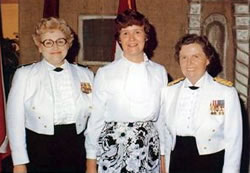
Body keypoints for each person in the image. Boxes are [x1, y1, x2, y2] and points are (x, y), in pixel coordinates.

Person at [6, 17, 94, 173]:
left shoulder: (86, 74)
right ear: (39, 47)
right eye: (48, 42)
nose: (55, 46)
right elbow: (15, 121)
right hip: (39, 149)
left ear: (69, 43)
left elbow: (94, 120)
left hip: (76, 149)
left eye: (61, 41)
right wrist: (19, 162)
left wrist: (91, 161)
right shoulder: (24, 75)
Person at [85, 9, 168, 173]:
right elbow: (96, 121)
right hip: (113, 149)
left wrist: (164, 156)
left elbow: (163, 120)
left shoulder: (159, 72)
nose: (132, 39)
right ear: (119, 40)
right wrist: (90, 162)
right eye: (125, 33)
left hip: (149, 149)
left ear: (146, 36)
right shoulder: (105, 73)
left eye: (137, 32)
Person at [160, 34, 242, 173]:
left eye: (195, 57)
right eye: (184, 57)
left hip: (210, 162)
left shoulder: (225, 92)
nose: (189, 63)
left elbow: (234, 140)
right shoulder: (169, 91)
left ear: (208, 60)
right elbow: (165, 134)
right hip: (177, 160)